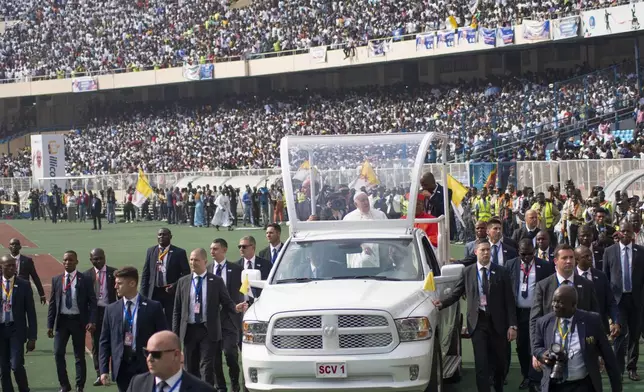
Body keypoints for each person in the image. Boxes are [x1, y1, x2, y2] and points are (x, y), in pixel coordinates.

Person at [432, 241, 517, 392]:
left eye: (488, 250)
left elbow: (509, 300)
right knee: (481, 363)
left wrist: (512, 325)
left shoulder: (502, 272)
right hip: (478, 323)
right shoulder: (468, 272)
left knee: (500, 363)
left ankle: (498, 388)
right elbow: (456, 293)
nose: (486, 253)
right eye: (482, 250)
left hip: (498, 323)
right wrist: (442, 303)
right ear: (476, 252)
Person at [172, 248, 248, 386]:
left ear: (205, 261)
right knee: (190, 368)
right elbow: (177, 311)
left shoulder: (216, 281)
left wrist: (235, 308)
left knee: (207, 367)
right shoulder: (183, 282)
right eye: (191, 259)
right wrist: (175, 335)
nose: (192, 262)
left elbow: (226, 302)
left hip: (208, 331)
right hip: (189, 330)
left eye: (196, 260)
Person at [532, 285, 622, 392]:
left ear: (574, 305)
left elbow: (609, 358)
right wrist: (542, 354)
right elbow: (536, 347)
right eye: (554, 301)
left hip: (583, 385)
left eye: (560, 302)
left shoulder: (592, 321)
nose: (555, 305)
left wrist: (617, 388)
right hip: (553, 385)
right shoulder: (543, 322)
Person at [99, 266, 168, 392]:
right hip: (122, 367)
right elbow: (104, 341)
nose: (115, 287)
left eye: (119, 283)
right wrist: (103, 370)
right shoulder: (111, 310)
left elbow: (163, 339)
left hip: (146, 365)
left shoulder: (153, 308)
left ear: (132, 283)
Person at [530, 244, 599, 356]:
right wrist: (536, 352)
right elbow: (535, 320)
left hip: (581, 350)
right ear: (555, 261)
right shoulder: (543, 286)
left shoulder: (587, 285)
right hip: (551, 348)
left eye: (571, 257)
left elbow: (595, 316)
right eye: (564, 258)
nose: (569, 261)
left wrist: (598, 351)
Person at [504, 239, 555, 390]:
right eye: (523, 254)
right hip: (518, 313)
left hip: (537, 313)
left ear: (534, 251)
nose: (526, 257)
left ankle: (535, 378)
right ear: (518, 252)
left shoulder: (544, 266)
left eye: (530, 254)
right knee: (521, 346)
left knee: (536, 345)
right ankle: (526, 375)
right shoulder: (510, 265)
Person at [47, 250, 97, 392]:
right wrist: (50, 325)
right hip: (62, 321)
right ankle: (64, 384)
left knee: (79, 355)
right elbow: (52, 304)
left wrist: (91, 320)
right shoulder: (57, 279)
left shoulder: (85, 279)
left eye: (70, 260)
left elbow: (92, 302)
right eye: (65, 260)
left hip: (78, 321)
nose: (68, 262)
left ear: (76, 262)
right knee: (58, 353)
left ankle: (79, 385)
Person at [603, 221, 644, 380]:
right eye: (623, 231)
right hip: (617, 301)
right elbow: (605, 278)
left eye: (629, 232)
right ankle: (618, 369)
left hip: (635, 300)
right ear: (619, 232)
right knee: (619, 335)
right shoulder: (609, 251)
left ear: (633, 233)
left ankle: (631, 368)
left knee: (634, 335)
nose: (626, 234)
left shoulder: (640, 252)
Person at [207, 239, 243, 391]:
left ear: (224, 250)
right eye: (211, 249)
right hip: (212, 321)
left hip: (230, 319)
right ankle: (221, 387)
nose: (212, 252)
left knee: (230, 354)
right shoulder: (207, 269)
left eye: (215, 249)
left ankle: (235, 381)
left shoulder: (236, 269)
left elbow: (243, 291)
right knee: (215, 358)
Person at [126, 331, 215, 392]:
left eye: (156, 354)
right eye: (147, 353)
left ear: (176, 355)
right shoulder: (137, 384)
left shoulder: (202, 390)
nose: (149, 358)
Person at [0, 255, 37, 392]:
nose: (11, 268)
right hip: (1, 329)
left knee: (16, 365)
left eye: (13, 265)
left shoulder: (23, 284)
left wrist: (32, 337)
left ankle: (24, 389)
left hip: (16, 330)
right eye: (7, 265)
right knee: (3, 368)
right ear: (1, 267)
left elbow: (31, 313)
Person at [141, 228, 190, 327]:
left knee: (171, 319)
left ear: (170, 237)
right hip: (154, 291)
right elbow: (146, 274)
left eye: (164, 235)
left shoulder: (179, 252)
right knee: (152, 319)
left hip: (170, 292)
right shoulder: (151, 251)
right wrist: (143, 294)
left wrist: (175, 285)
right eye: (159, 235)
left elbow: (186, 273)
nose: (161, 237)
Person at [83, 248, 117, 387]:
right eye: (95, 259)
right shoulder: (86, 276)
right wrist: (88, 319)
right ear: (90, 260)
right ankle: (100, 374)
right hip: (95, 313)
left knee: (116, 342)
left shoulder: (113, 273)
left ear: (105, 257)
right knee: (97, 345)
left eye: (100, 258)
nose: (98, 261)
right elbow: (84, 299)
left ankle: (116, 372)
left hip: (111, 311)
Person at [574, 245, 619, 337]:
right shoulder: (571, 277)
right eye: (585, 257)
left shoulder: (601, 276)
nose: (590, 258)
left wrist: (616, 321)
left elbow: (610, 301)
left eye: (590, 255)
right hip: (578, 328)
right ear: (577, 260)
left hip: (600, 326)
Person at [8, 238, 46, 305]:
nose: (14, 246)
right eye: (12, 244)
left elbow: (35, 277)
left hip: (24, 292)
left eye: (16, 244)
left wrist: (42, 294)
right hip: (8, 291)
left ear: (20, 247)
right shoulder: (4, 260)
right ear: (9, 247)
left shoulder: (27, 261)